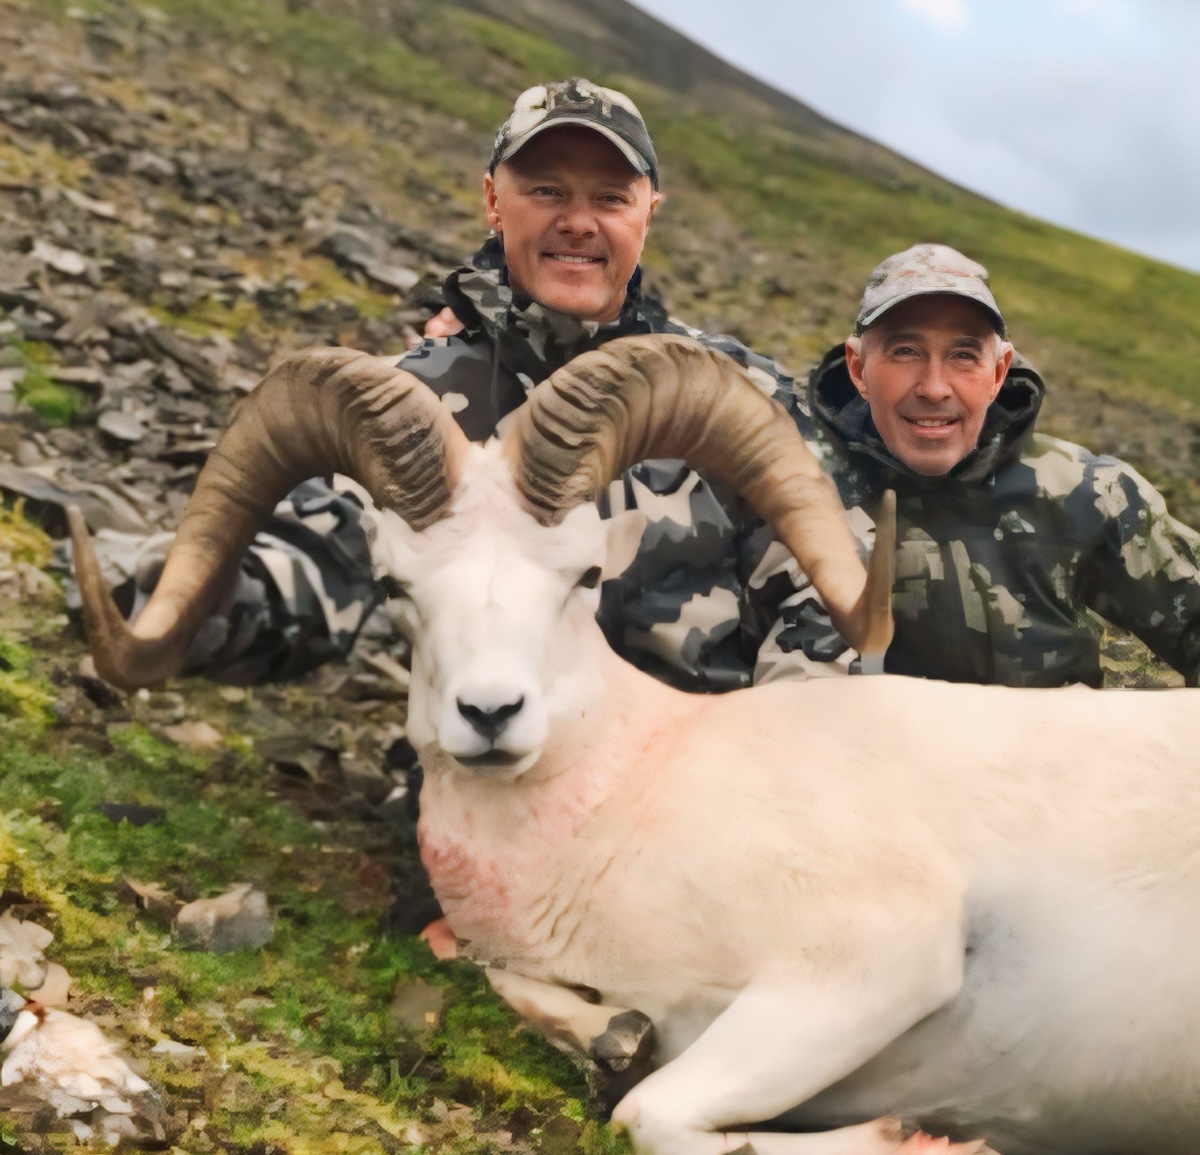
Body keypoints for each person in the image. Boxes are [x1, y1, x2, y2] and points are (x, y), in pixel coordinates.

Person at [124, 78, 829, 695]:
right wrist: (204, 597)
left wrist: (784, 759)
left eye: (611, 197)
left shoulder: (732, 392)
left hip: (710, 790)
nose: (578, 221)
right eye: (545, 190)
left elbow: (827, 590)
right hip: (495, 772)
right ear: (495, 201)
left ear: (649, 213)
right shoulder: (416, 400)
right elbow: (324, 552)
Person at [756, 243, 1200, 687]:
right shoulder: (790, 488)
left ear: (999, 372)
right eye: (906, 351)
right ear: (858, 368)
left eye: (964, 356)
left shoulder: (1088, 494)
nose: (934, 388)